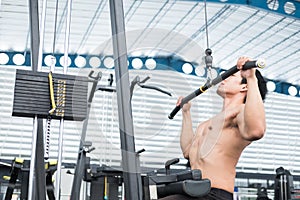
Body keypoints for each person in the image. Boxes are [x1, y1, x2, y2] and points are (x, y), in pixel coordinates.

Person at [160, 57, 268, 200]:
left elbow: (256, 130)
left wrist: (251, 78)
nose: (224, 78)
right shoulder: (206, 124)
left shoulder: (239, 113)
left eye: (231, 75)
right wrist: (186, 112)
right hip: (194, 191)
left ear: (244, 86)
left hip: (215, 194)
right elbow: (187, 151)